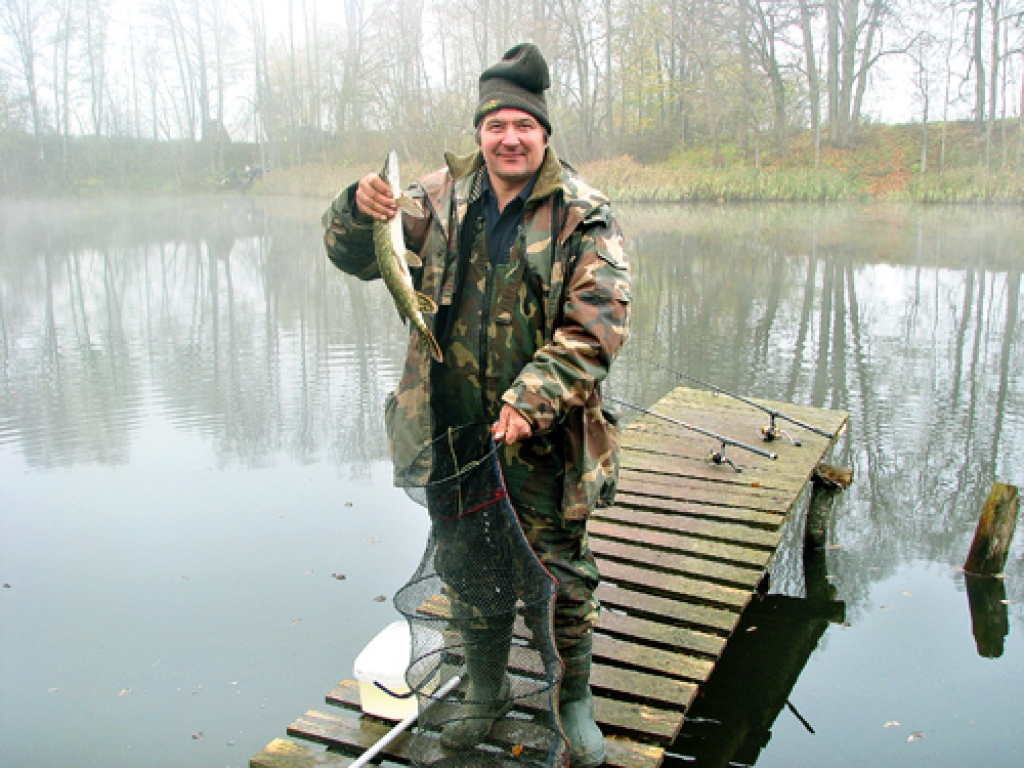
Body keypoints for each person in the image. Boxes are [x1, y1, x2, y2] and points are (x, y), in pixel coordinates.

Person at [322, 42, 630, 767]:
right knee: (466, 568)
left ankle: (572, 699)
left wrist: (530, 399)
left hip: (546, 444)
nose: (510, 138)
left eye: (525, 125)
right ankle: (485, 692)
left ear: (544, 133)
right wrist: (354, 208)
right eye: (497, 125)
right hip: (453, 438)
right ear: (480, 132)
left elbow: (597, 329)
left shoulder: (585, 214)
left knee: (561, 578)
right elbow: (360, 256)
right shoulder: (434, 197)